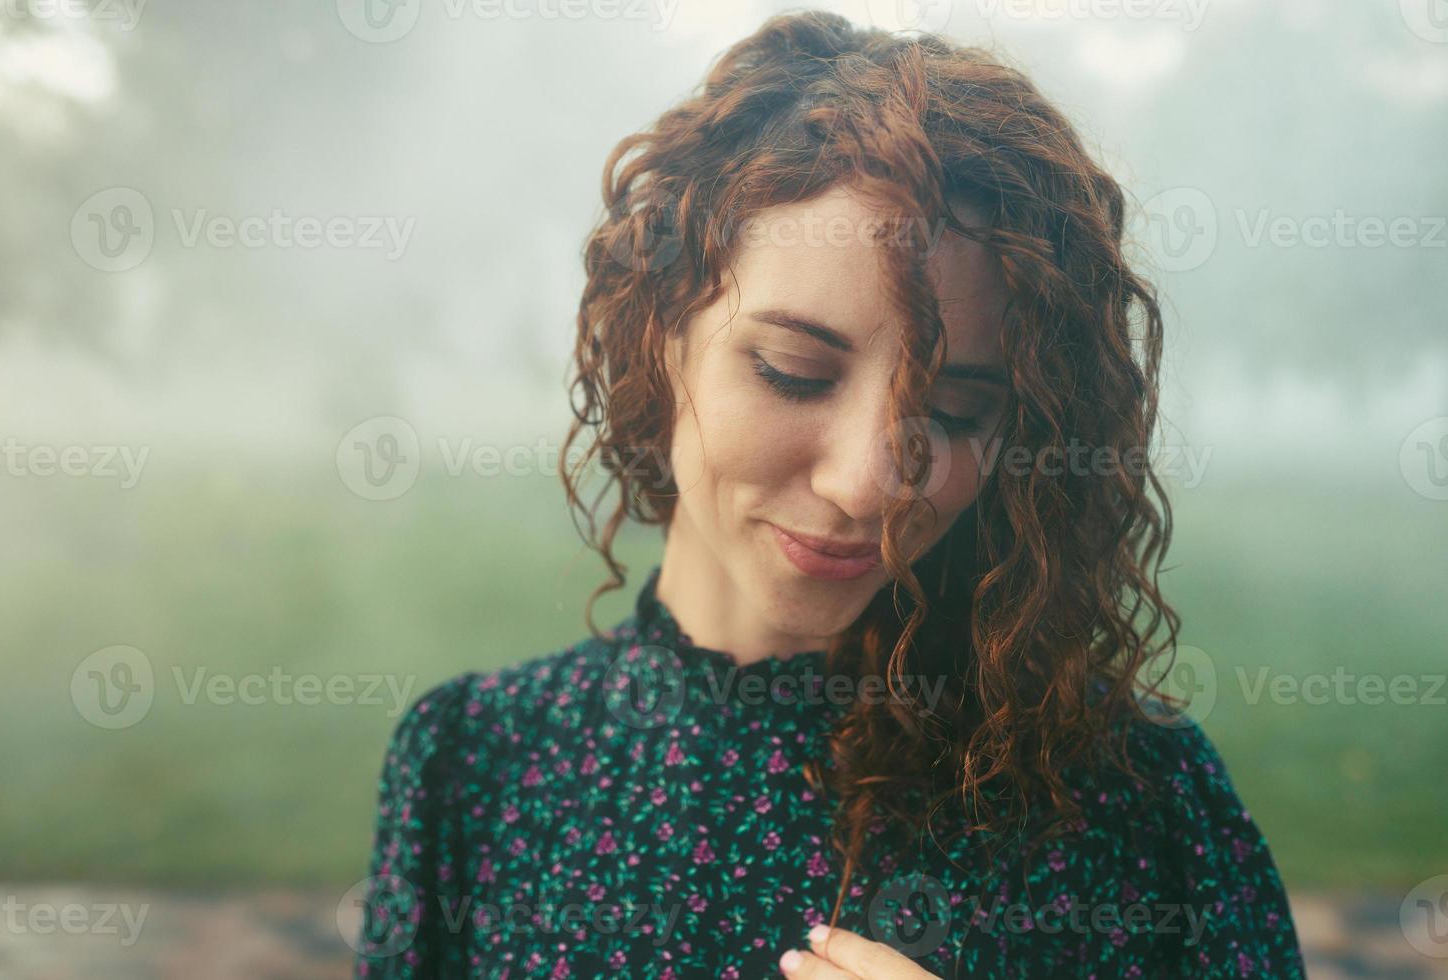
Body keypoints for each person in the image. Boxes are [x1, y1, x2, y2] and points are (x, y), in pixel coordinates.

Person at [354, 11, 1306, 978]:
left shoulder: (1133, 799)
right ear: (659, 332)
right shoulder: (472, 765)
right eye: (793, 373)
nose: (867, 488)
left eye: (956, 412)